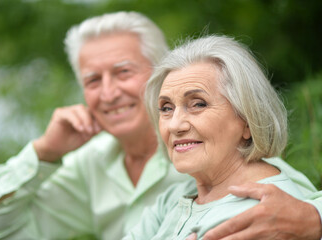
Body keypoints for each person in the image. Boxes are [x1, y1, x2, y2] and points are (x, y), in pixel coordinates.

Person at [0, 11, 322, 240]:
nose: (108, 93)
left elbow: (291, 198)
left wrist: (315, 219)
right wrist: (45, 152)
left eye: (123, 72)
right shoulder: (101, 167)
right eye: (92, 80)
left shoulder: (242, 177)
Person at [123, 35, 322, 240]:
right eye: (166, 108)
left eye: (198, 104)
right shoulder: (174, 198)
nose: (174, 124)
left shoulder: (265, 217)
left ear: (247, 120)